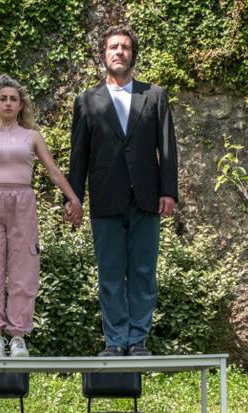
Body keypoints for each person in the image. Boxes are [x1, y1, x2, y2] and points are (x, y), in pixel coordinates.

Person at [64, 25, 178, 356]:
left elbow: (167, 148)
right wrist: (73, 198)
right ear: (104, 55)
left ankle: (137, 340)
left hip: (146, 197)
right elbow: (78, 155)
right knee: (110, 274)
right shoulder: (87, 101)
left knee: (143, 272)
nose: (119, 52)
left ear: (132, 54)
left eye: (125, 47)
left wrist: (169, 191)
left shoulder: (154, 95)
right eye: (113, 46)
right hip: (105, 198)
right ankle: (115, 342)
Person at [0, 74, 82, 357]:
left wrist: (73, 197)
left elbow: (53, 171)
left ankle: (17, 336)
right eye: (3, 99)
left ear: (20, 105)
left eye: (13, 99)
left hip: (22, 202)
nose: (8, 103)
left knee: (23, 270)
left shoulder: (32, 137)